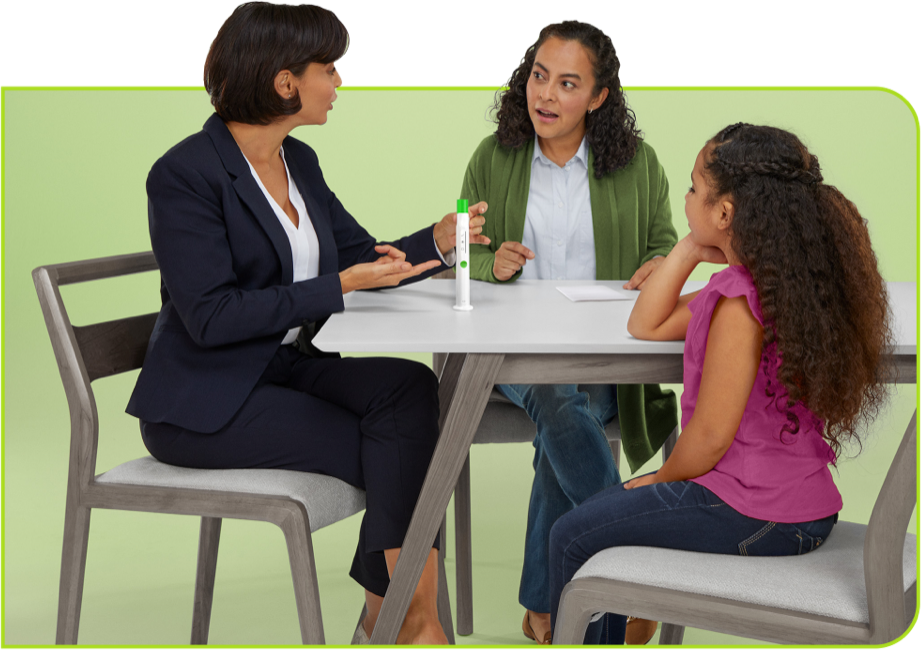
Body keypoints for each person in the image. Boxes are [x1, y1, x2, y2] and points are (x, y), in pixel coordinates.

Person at [125, 2, 488, 644]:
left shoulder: (300, 162)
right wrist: (337, 286)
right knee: (407, 456)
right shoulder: (184, 175)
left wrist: (436, 242)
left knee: (407, 391)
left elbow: (354, 258)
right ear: (285, 81)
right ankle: (413, 622)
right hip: (206, 403)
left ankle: (390, 616)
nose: (339, 82)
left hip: (287, 368)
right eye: (330, 68)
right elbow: (209, 317)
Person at [547, 123, 894, 644]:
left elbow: (708, 438)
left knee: (573, 534)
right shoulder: (775, 288)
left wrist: (657, 481)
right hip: (804, 507)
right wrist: (689, 247)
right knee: (601, 520)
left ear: (725, 212)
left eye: (692, 189)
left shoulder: (737, 303)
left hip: (752, 510)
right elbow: (647, 323)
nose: (685, 199)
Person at [457, 20, 678, 644]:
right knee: (556, 398)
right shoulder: (493, 157)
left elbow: (664, 247)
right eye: (538, 76)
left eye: (567, 83)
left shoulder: (636, 164)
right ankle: (635, 563)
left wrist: (659, 265)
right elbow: (457, 255)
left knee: (564, 418)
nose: (545, 95)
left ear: (599, 96)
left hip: (603, 354)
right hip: (510, 357)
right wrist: (488, 262)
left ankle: (544, 607)